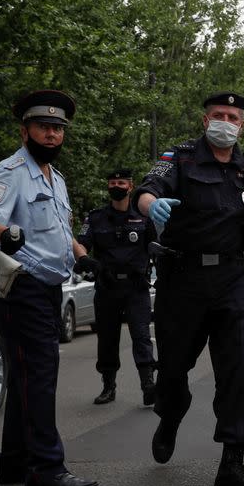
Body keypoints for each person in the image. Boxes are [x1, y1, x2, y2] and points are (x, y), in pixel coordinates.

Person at [133, 91, 244, 486]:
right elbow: (146, 189)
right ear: (205, 121)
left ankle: (232, 462)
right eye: (218, 115)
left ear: (242, 125)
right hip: (182, 279)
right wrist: (152, 206)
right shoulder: (179, 157)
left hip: (234, 280)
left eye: (232, 116)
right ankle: (170, 413)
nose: (225, 121)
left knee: (239, 369)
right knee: (175, 366)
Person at [0, 90, 98, 486]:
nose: (51, 134)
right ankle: (46, 468)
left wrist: (81, 254)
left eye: (58, 128)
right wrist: (4, 233)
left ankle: (14, 462)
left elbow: (60, 229)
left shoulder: (55, 179)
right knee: (40, 375)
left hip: (48, 287)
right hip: (20, 284)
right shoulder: (10, 171)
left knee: (29, 373)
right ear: (25, 130)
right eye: (44, 127)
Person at [77, 169, 157, 406]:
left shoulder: (144, 218)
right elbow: (81, 244)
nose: (116, 186)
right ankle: (108, 386)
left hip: (136, 287)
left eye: (121, 182)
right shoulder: (96, 217)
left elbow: (157, 246)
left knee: (142, 336)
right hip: (107, 287)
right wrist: (84, 259)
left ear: (130, 186)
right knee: (107, 339)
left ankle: (148, 384)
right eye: (112, 182)